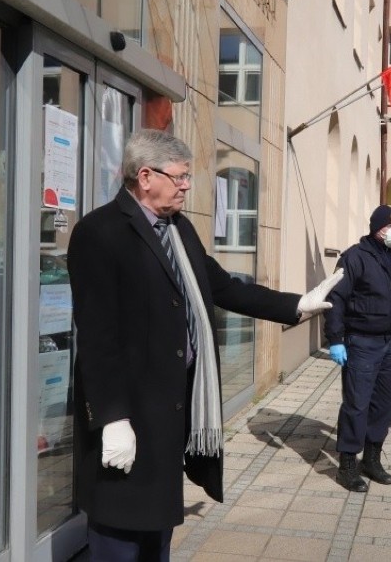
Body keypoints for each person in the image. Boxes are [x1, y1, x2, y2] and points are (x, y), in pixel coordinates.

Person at [67, 129, 342, 561]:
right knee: (119, 534)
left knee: (156, 534)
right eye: (178, 177)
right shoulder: (99, 233)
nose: (186, 185)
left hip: (170, 411)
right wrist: (111, 417)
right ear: (145, 176)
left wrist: (299, 304)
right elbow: (97, 336)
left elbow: (225, 288)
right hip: (129, 414)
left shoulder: (178, 230)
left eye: (186, 176)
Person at [324, 205, 391, 492]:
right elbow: (335, 299)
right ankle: (347, 465)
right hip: (362, 343)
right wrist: (335, 339)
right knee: (357, 404)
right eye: (387, 227)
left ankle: (371, 459)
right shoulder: (354, 258)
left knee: (385, 403)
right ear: (375, 229)